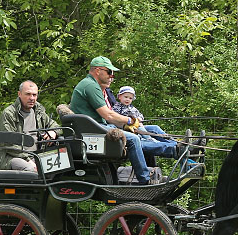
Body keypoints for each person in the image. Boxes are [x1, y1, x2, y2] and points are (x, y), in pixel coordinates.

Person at [68, 56, 175, 185]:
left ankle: (176, 146)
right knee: (134, 139)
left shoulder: (93, 85)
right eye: (109, 72)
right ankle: (145, 180)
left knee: (146, 131)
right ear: (97, 70)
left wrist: (128, 124)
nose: (111, 76)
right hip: (93, 131)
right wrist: (130, 121)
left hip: (98, 126)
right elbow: (109, 115)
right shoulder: (90, 86)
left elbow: (110, 117)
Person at [0, 80, 60, 171]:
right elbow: (9, 144)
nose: (32, 98)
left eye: (34, 95)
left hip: (36, 155)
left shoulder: (38, 112)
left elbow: (55, 125)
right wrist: (28, 160)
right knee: (30, 169)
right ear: (19, 94)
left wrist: (54, 132)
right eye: (28, 94)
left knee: (63, 165)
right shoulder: (9, 114)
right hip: (11, 157)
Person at [112, 86, 178, 157]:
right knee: (140, 127)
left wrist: (139, 119)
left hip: (137, 127)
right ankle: (150, 140)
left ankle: (174, 142)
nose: (128, 99)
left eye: (130, 98)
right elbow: (115, 118)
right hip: (126, 129)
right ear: (119, 97)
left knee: (154, 128)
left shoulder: (132, 108)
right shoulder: (116, 107)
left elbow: (140, 115)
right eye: (126, 97)